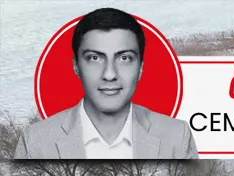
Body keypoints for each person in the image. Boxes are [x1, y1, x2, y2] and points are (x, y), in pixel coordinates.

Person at [13, 7, 197, 161]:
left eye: (124, 58)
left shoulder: (177, 137)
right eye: (95, 58)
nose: (109, 74)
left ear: (140, 68)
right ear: (76, 66)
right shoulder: (34, 143)